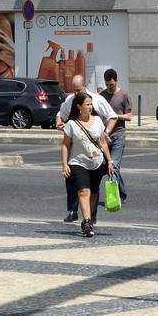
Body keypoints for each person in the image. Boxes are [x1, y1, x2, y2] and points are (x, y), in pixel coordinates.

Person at [56, 75, 116, 224]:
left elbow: (112, 116)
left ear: (84, 86)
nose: (76, 93)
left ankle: (91, 214)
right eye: (74, 90)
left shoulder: (96, 99)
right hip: (76, 146)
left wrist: (106, 133)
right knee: (74, 182)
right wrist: (59, 124)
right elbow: (60, 115)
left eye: (79, 90)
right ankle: (74, 211)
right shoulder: (70, 100)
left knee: (93, 187)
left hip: (95, 150)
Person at [98, 69, 133, 202]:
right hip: (105, 137)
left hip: (118, 135)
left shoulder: (124, 95)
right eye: (107, 85)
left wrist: (114, 116)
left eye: (111, 85)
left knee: (114, 166)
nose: (109, 88)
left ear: (116, 81)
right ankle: (122, 193)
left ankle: (112, 197)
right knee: (110, 167)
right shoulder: (101, 96)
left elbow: (129, 116)